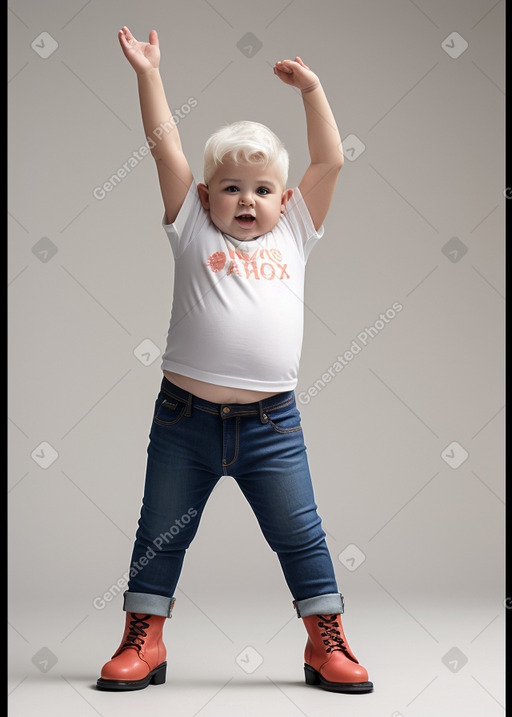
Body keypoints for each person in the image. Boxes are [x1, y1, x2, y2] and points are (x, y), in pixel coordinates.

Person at [96, 25, 373, 695]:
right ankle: (145, 637)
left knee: (300, 532)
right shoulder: (189, 224)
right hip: (183, 420)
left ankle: (324, 638)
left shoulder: (297, 230)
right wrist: (149, 73)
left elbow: (331, 161)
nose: (246, 199)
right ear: (203, 197)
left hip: (271, 426)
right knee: (159, 532)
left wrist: (313, 90)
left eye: (261, 189)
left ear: (284, 200)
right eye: (230, 187)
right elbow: (164, 144)